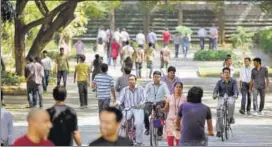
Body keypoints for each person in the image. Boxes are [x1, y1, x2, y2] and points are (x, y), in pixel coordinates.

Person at [115, 74, 146, 146]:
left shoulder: (141, 89)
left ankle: (139, 142)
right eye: (129, 80)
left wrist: (140, 104)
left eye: (132, 79)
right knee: (121, 122)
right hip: (127, 109)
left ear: (135, 80)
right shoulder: (124, 90)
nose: (131, 81)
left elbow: (144, 99)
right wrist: (117, 103)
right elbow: (120, 99)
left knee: (139, 123)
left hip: (138, 109)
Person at [213, 67, 239, 138]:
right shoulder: (219, 82)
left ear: (229, 73)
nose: (226, 74)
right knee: (219, 111)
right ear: (223, 74)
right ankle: (218, 130)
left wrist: (235, 95)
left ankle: (230, 118)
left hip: (230, 97)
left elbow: (236, 90)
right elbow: (215, 90)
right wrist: (215, 95)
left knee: (231, 103)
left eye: (228, 73)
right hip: (221, 98)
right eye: (225, 73)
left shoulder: (233, 81)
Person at [144, 71, 170, 137]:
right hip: (150, 102)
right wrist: (144, 99)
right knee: (145, 113)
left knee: (160, 116)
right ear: (153, 77)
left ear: (160, 78)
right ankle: (147, 128)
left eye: (158, 77)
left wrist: (166, 97)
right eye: (155, 77)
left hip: (160, 102)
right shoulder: (149, 84)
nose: (156, 78)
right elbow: (144, 93)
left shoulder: (163, 84)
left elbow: (167, 93)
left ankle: (159, 131)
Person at [161, 82, 186, 146]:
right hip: (170, 119)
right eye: (176, 87)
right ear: (174, 88)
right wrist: (161, 110)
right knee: (170, 136)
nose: (178, 88)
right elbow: (166, 108)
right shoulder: (169, 97)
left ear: (182, 88)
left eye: (180, 87)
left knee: (178, 137)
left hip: (180, 120)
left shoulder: (185, 98)